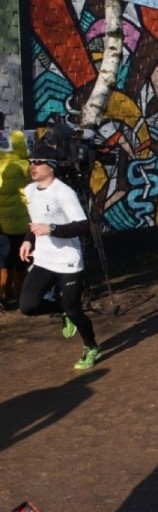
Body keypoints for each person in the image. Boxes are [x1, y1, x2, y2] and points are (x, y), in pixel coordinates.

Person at [17, 142, 100, 369]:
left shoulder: (64, 192)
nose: (32, 166)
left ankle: (91, 346)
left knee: (74, 309)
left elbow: (83, 226)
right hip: (44, 259)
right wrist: (28, 239)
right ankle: (61, 310)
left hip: (68, 261)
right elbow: (34, 221)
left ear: (51, 166)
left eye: (38, 162)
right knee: (27, 306)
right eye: (30, 162)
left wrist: (53, 229)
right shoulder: (29, 190)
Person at [0, 130, 31, 306]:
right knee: (21, 253)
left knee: (5, 254)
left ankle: (4, 290)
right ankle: (21, 292)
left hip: (2, 218)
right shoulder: (22, 165)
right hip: (19, 218)